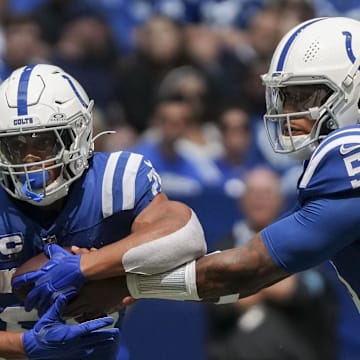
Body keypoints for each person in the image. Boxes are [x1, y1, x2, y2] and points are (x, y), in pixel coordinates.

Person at [101, 16, 360, 313]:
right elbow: (254, 269)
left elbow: (248, 269)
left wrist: (128, 286)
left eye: (305, 97)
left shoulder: (349, 154)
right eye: (285, 97)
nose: (288, 113)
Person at [1, 63, 206, 359]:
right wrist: (22, 346)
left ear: (79, 133)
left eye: (44, 142)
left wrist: (87, 266)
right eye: (15, 146)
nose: (29, 161)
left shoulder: (116, 180)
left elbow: (187, 235)